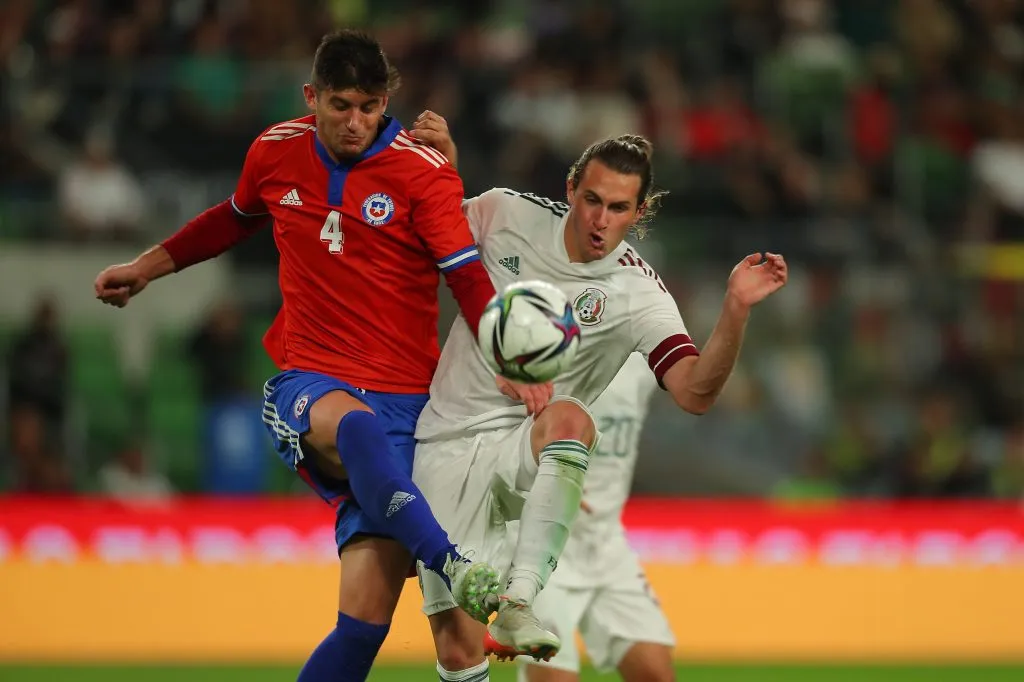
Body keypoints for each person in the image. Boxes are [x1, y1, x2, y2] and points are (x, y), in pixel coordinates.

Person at [93, 30, 532, 682]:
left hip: (412, 408)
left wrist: (509, 363)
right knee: (353, 425)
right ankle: (450, 563)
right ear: (311, 96)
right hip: (312, 382)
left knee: (370, 631)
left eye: (369, 107)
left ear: (385, 103)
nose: (355, 121)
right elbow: (233, 217)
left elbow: (466, 277)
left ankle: (443, 569)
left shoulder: (423, 170)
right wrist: (145, 267)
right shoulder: (275, 150)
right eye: (340, 105)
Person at [408, 114, 787, 681]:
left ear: (639, 212)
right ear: (570, 189)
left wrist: (735, 308)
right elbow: (436, 237)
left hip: (525, 451)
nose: (600, 220)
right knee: (460, 655)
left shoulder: (639, 293)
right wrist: (445, 167)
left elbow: (693, 391)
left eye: (617, 208)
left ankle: (518, 601)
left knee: (571, 419)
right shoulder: (504, 212)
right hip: (448, 439)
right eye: (591, 200)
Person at [514, 353, 675, 682]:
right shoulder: (544, 350)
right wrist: (544, 477)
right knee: (557, 678)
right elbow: (493, 425)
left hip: (606, 544)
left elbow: (698, 384)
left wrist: (732, 322)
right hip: (542, 544)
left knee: (656, 673)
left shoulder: (643, 356)